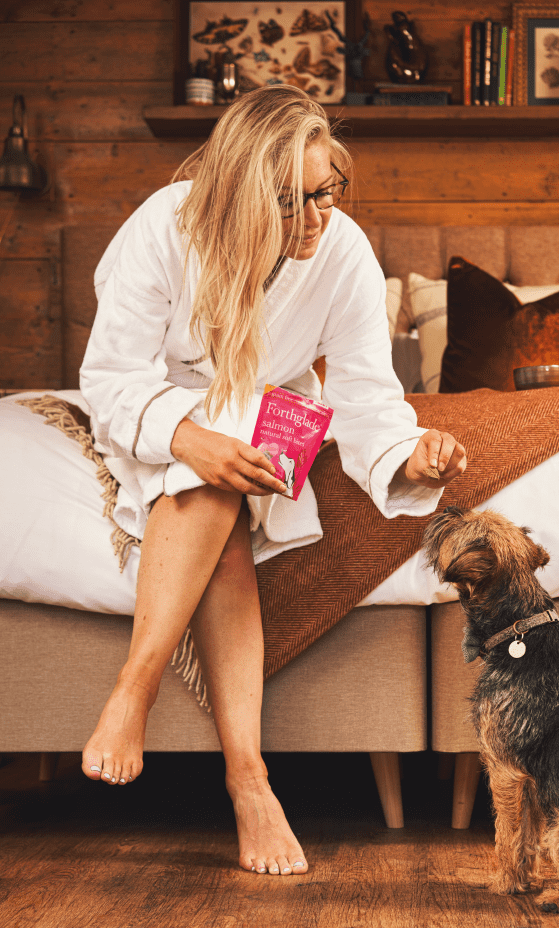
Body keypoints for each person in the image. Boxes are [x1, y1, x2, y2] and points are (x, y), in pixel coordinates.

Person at [78, 86, 467, 878]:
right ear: (238, 195)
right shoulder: (166, 225)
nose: (318, 218)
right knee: (209, 478)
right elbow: (113, 376)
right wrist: (189, 436)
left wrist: (406, 454)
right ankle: (238, 771)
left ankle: (145, 698)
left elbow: (364, 392)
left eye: (327, 191)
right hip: (158, 407)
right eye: (292, 203)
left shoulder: (343, 248)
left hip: (267, 410)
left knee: (223, 480)